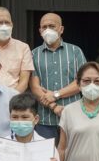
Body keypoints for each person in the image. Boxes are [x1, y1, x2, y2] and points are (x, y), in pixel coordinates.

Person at [30, 12, 86, 141]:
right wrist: (54, 106)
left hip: (74, 116)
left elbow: (82, 82)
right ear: (39, 31)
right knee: (46, 159)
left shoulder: (75, 51)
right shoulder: (33, 54)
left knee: (73, 158)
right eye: (44, 27)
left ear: (61, 29)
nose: (47, 30)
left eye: (52, 26)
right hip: (45, 120)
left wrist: (56, 94)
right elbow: (34, 87)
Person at [0, 6, 34, 93]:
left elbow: (24, 83)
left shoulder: (23, 48)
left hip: (14, 100)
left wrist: (10, 99)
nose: (4, 26)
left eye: (7, 22)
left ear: (12, 25)